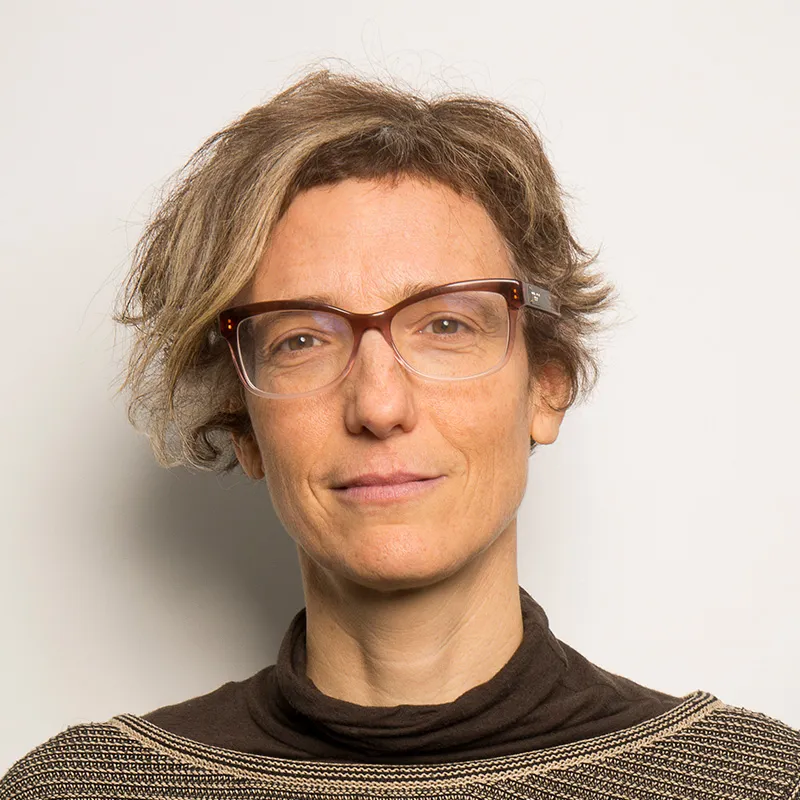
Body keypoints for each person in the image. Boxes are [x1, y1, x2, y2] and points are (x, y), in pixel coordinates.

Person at [2, 69, 798, 799]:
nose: (379, 406)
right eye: (301, 339)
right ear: (242, 423)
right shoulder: (82, 790)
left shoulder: (752, 783)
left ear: (546, 388)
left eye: (446, 325)